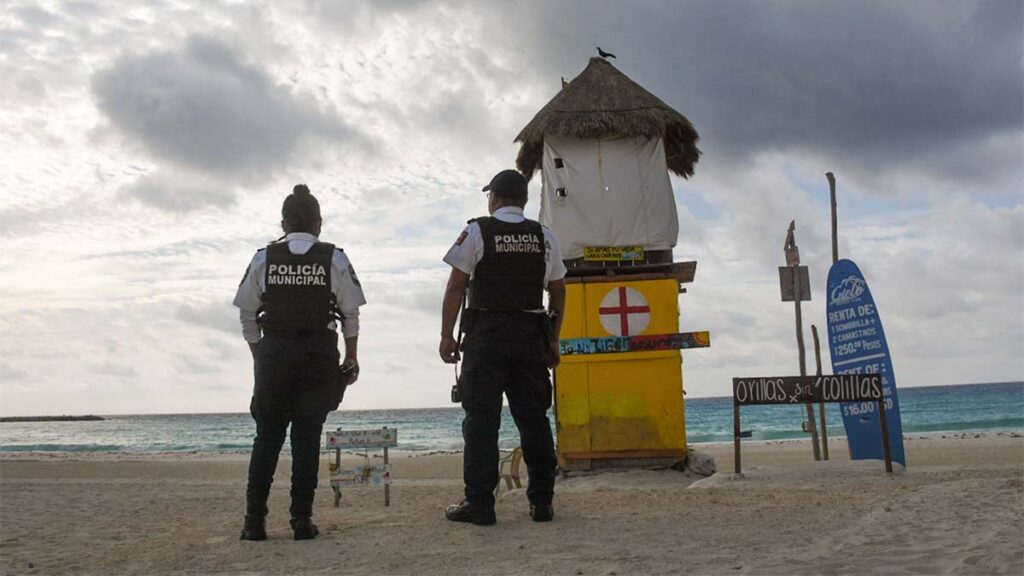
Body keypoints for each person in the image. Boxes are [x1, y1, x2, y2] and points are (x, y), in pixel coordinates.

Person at [233, 184, 366, 541]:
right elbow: (350, 314)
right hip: (318, 356)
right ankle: (302, 520)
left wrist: (259, 354)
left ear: (283, 222)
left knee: (267, 438)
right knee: (306, 440)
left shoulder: (263, 258)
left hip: (274, 354)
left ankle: (253, 521)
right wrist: (352, 355)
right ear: (319, 223)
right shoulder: (334, 258)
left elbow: (247, 313)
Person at [439, 169, 566, 525]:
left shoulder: (477, 231)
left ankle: (480, 504)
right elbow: (558, 292)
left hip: (487, 336)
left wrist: (446, 335)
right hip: (529, 335)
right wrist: (553, 338)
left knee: (480, 421)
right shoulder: (544, 236)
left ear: (493, 198)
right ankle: (542, 502)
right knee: (534, 420)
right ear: (523, 199)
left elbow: (455, 287)